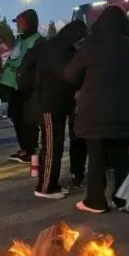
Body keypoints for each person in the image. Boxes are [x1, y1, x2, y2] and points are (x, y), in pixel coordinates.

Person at [64, 7, 129, 213]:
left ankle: (95, 201)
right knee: (122, 155)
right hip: (125, 111)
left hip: (94, 112)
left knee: (96, 157)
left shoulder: (90, 46)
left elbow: (70, 74)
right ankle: (123, 199)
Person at [18, 20, 88, 199]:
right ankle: (45, 187)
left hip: (53, 102)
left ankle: (53, 183)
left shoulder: (53, 46)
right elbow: (67, 75)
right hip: (49, 103)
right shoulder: (59, 50)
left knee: (54, 146)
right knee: (51, 147)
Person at [0, 9, 42, 162]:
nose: (17, 26)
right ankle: (25, 148)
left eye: (20, 22)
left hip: (29, 88)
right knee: (16, 116)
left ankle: (31, 151)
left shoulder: (38, 41)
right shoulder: (20, 40)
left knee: (29, 120)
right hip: (14, 87)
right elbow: (13, 61)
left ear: (27, 23)